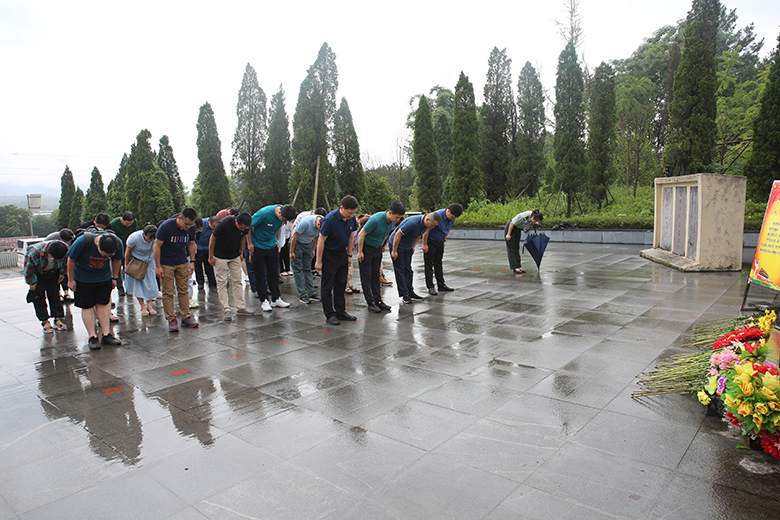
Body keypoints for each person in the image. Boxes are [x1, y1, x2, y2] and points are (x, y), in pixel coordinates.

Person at [67, 231, 123, 349]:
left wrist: (114, 277)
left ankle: (106, 334)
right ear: (98, 245)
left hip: (104, 277)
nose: (106, 257)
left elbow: (117, 260)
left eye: (109, 256)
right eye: (104, 255)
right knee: (87, 306)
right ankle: (92, 337)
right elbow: (71, 259)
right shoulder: (82, 242)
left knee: (104, 304)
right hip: (83, 278)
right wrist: (71, 280)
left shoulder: (117, 243)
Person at [315, 195, 358, 325]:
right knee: (327, 286)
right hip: (329, 255)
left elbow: (351, 236)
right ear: (342, 208)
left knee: (341, 284)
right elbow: (321, 240)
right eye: (349, 212)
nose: (352, 215)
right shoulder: (330, 220)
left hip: (342, 254)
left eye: (354, 213)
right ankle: (329, 314)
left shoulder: (351, 218)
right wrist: (318, 260)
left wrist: (349, 255)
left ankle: (341, 311)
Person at [155, 208, 199, 332]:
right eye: (186, 224)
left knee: (184, 290)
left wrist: (192, 261)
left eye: (191, 225)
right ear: (179, 218)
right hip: (166, 263)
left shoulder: (191, 227)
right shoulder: (166, 226)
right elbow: (157, 246)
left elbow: (191, 243)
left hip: (182, 261)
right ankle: (171, 319)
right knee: (168, 292)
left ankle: (186, 317)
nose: (188, 227)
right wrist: (158, 266)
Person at [357, 201, 405, 313]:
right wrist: (360, 252)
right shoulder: (375, 219)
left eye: (399, 218)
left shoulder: (392, 222)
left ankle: (378, 300)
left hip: (377, 248)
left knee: (376, 275)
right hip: (366, 248)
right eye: (396, 217)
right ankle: (370, 302)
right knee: (366, 276)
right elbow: (361, 234)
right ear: (390, 213)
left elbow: (388, 233)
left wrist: (383, 246)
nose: (397, 220)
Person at [250, 204, 296, 312]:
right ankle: (264, 300)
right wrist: (249, 243)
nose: (283, 221)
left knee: (274, 273)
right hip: (258, 245)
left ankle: (276, 299)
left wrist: (277, 241)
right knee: (260, 274)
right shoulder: (264, 213)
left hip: (272, 245)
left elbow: (279, 227)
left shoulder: (285, 213)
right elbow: (249, 226)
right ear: (279, 212)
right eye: (282, 219)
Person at [209, 212, 255, 321]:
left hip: (234, 255)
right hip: (220, 255)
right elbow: (213, 238)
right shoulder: (224, 223)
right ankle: (226, 309)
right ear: (236, 221)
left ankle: (240, 307)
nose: (242, 229)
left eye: (244, 228)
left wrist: (241, 252)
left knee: (237, 281)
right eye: (241, 227)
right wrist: (210, 256)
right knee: (222, 282)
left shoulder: (246, 225)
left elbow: (243, 237)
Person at [389, 212, 441, 304]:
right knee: (400, 270)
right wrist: (394, 250)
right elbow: (398, 234)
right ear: (427, 219)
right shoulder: (413, 223)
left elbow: (419, 235)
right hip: (397, 244)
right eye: (432, 225)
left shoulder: (426, 225)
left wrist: (413, 246)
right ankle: (405, 294)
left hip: (408, 245)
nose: (432, 227)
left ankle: (410, 292)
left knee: (408, 269)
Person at [24, 240, 69, 334]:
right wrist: (32, 283)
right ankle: (45, 321)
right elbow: (28, 269)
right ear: (48, 252)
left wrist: (62, 273)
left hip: (53, 272)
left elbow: (66, 263)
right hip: (38, 274)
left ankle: (57, 319)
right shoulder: (34, 252)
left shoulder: (63, 249)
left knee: (55, 295)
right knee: (39, 297)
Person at [422, 203, 463, 295]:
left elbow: (448, 229)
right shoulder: (437, 216)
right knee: (429, 265)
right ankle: (430, 286)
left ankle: (441, 285)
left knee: (438, 264)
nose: (453, 219)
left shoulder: (452, 218)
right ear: (448, 211)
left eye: (454, 217)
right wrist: (424, 244)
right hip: (430, 241)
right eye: (452, 216)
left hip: (440, 242)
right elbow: (426, 230)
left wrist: (444, 240)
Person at [124, 225, 159, 317]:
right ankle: (143, 306)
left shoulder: (156, 238)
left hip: (149, 261)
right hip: (137, 262)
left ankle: (149, 305)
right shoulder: (134, 238)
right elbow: (128, 251)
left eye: (153, 239)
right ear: (144, 234)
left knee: (151, 284)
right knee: (138, 285)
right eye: (149, 238)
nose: (151, 240)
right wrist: (126, 264)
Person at [289, 213, 324, 304]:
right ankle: (302, 295)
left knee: (307, 269)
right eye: (320, 229)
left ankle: (311, 293)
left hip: (308, 244)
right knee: (298, 269)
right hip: (297, 243)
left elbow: (317, 237)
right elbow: (294, 236)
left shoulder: (324, 221)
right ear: (318, 224)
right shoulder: (306, 222)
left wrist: (313, 249)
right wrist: (292, 251)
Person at [110, 212, 140, 296]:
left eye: (130, 223)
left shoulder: (135, 222)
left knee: (129, 268)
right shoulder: (114, 223)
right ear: (122, 220)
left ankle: (130, 288)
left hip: (129, 248)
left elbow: (135, 234)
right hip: (117, 248)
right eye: (127, 223)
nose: (129, 225)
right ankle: (120, 288)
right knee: (118, 269)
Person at [505, 209, 543, 274]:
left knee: (516, 248)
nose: (535, 222)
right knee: (511, 248)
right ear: (533, 217)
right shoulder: (523, 217)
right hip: (510, 228)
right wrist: (508, 234)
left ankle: (518, 266)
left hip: (518, 229)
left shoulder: (532, 216)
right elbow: (512, 223)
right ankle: (515, 267)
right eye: (535, 220)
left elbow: (531, 221)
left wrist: (535, 222)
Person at [44, 228, 75, 301]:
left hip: (64, 256)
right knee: (56, 276)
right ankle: (59, 294)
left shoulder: (72, 238)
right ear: (60, 238)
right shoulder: (52, 238)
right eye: (65, 241)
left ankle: (66, 293)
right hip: (53, 257)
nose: (66, 242)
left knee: (64, 274)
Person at [346, 214, 369, 294]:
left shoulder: (361, 227)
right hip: (344, 248)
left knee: (350, 266)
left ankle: (349, 284)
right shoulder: (351, 223)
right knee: (345, 267)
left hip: (351, 250)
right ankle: (345, 285)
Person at [194, 216, 218, 289]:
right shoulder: (201, 224)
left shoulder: (217, 227)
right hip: (198, 248)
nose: (213, 228)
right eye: (212, 227)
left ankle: (212, 282)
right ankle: (200, 283)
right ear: (209, 222)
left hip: (208, 248)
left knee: (209, 266)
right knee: (198, 267)